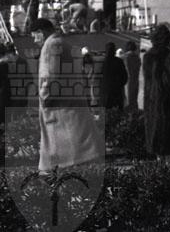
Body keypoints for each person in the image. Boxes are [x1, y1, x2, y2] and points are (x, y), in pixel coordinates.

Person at [32, 18, 102, 172]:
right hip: (72, 104)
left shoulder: (51, 45)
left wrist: (44, 99)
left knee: (63, 158)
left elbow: (50, 76)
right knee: (77, 150)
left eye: (34, 36)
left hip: (59, 109)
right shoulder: (65, 43)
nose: (35, 40)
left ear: (41, 33)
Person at [143, 25, 170, 161]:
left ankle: (159, 167)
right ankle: (169, 170)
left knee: (156, 140)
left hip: (151, 102)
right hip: (168, 103)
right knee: (168, 142)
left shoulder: (147, 56)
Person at [101, 42, 128, 110]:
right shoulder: (119, 61)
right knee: (118, 111)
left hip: (106, 92)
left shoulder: (103, 62)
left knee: (107, 111)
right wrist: (120, 85)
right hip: (117, 91)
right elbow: (124, 77)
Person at [122, 41, 141, 111]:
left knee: (127, 101)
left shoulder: (124, 57)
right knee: (134, 100)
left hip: (127, 81)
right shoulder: (137, 58)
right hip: (135, 81)